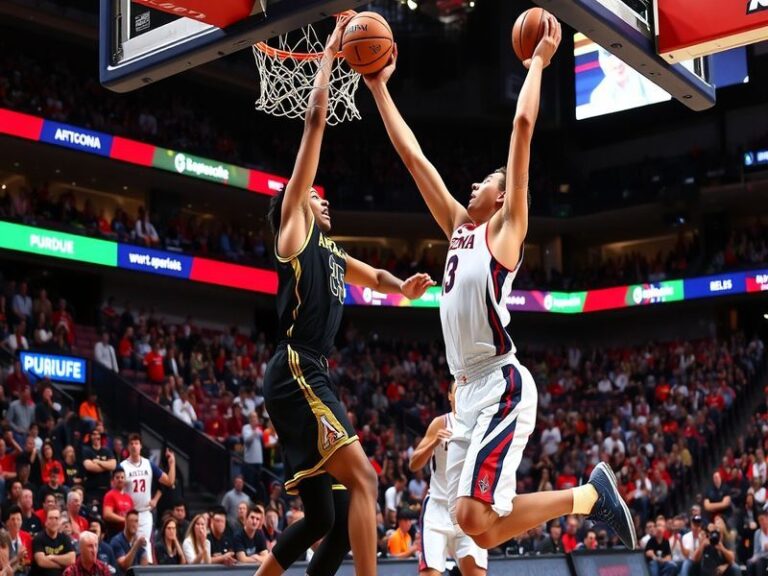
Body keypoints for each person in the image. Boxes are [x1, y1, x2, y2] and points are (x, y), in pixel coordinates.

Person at [364, 13, 635, 551]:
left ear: (505, 196)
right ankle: (589, 497)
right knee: (479, 528)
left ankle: (588, 498)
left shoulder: (506, 231)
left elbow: (522, 128)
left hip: (500, 383)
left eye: (487, 181)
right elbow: (413, 158)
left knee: (472, 517)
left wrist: (537, 64)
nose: (473, 184)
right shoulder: (457, 229)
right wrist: (377, 88)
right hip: (465, 390)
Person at [256, 13, 434, 576]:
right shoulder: (293, 230)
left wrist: (403, 287)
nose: (323, 199)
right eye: (316, 194)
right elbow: (314, 122)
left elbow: (374, 276)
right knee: (366, 480)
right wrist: (330, 56)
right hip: (296, 367)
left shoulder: (331, 253)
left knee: (325, 518)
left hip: (310, 372)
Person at [408, 383, 486, 576]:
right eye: (458, 390)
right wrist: (434, 443)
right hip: (438, 507)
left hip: (467, 508)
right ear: (450, 395)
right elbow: (413, 464)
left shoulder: (481, 424)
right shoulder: (441, 423)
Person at [120, 434, 175, 563]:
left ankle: (146, 569)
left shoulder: (148, 464)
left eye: (136, 443)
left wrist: (172, 463)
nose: (134, 446)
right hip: (128, 514)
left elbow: (169, 481)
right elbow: (116, 488)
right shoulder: (122, 466)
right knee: (130, 547)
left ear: (141, 446)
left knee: (145, 545)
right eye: (131, 443)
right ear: (128, 447)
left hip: (145, 512)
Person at [30, 508, 75, 576]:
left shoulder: (65, 538)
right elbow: (41, 561)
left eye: (56, 518)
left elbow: (72, 559)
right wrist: (61, 565)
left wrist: (52, 557)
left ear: (59, 522)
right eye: (51, 518)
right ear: (46, 522)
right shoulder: (39, 538)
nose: (54, 521)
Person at [81, 430, 116, 505]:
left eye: (98, 434)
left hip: (106, 489)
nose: (96, 437)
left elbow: (113, 465)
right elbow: (89, 467)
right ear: (90, 437)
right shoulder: (86, 450)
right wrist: (106, 466)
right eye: (93, 434)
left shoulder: (107, 450)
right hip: (92, 490)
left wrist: (98, 462)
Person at [102, 468, 133, 537]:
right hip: (114, 533)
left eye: (122, 477)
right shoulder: (109, 495)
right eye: (117, 477)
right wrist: (124, 520)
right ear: (113, 481)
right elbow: (107, 514)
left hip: (127, 534)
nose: (120, 479)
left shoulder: (129, 498)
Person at [6, 505, 33, 573]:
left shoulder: (26, 536)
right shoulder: (3, 539)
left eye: (18, 519)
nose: (16, 522)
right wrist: (18, 557)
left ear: (21, 521)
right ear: (7, 522)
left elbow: (29, 560)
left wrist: (23, 561)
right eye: (13, 519)